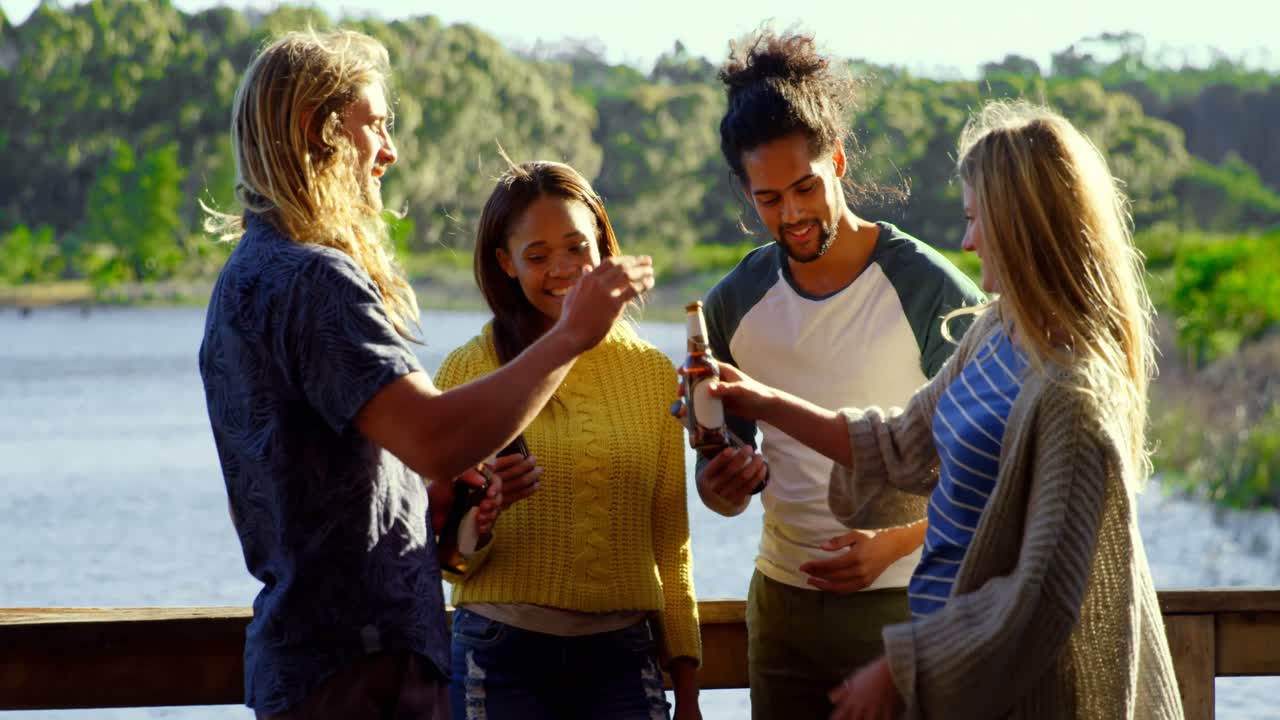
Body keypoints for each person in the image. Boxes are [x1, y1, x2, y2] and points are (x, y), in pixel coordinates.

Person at [198, 30, 653, 719]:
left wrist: (421, 504)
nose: (390, 150)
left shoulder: (243, 279)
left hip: (306, 663)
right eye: (376, 125)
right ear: (311, 129)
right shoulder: (315, 278)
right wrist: (570, 337)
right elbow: (437, 439)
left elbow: (330, 481)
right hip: (360, 673)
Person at [707, 100, 1183, 719]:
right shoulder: (997, 334)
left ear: (1024, 225)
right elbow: (902, 444)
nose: (966, 240)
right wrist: (754, 397)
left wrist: (900, 665)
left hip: (1030, 697)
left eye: (976, 218)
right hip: (960, 679)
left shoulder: (1071, 394)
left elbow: (1038, 600)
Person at [696, 30, 984, 718]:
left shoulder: (930, 291)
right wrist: (720, 484)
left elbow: (993, 473)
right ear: (746, 192)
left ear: (840, 164)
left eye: (805, 187)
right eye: (769, 199)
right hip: (780, 613)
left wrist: (891, 545)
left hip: (909, 607)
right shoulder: (730, 304)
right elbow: (722, 481)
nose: (791, 214)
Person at [434, 160, 701, 720]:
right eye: (537, 256)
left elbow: (670, 539)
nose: (563, 270)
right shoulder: (466, 370)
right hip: (498, 657)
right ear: (505, 263)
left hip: (625, 661)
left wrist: (688, 683)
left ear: (603, 246)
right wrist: (481, 514)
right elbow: (444, 561)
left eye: (577, 248)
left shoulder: (652, 373)